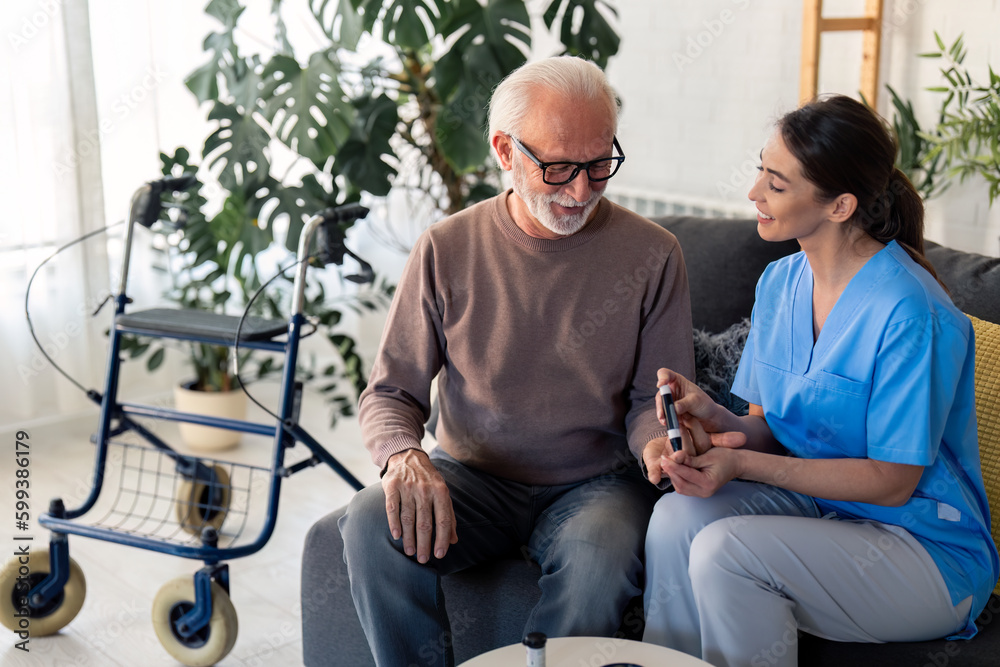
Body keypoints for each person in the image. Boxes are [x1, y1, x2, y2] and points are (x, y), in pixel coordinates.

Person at [337, 55, 695, 666]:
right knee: (372, 519)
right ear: (506, 151)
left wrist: (656, 444)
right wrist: (403, 455)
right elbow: (391, 393)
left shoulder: (654, 255)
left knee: (601, 560)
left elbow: (649, 403)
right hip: (472, 479)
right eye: (558, 168)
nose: (581, 190)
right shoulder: (446, 248)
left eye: (599, 163)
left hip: (596, 486)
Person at [641, 95, 999, 667]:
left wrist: (742, 465)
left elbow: (892, 483)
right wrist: (711, 418)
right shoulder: (779, 283)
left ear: (839, 206)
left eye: (776, 183)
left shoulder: (912, 314)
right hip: (818, 515)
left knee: (725, 550)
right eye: (761, 168)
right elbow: (765, 432)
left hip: (923, 552)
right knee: (675, 519)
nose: (753, 192)